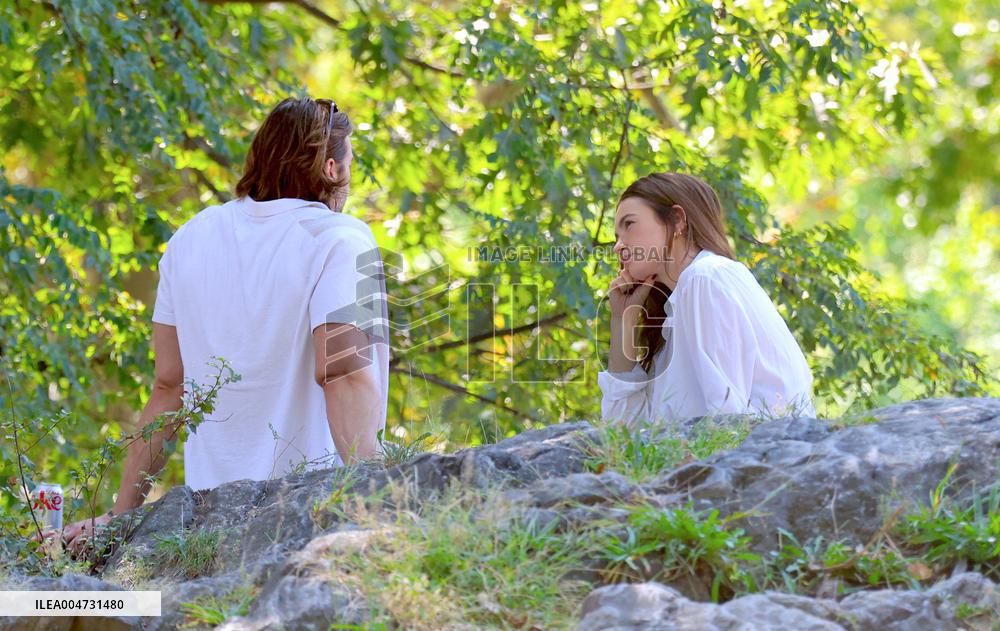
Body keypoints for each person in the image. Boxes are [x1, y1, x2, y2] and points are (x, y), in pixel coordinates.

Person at [56, 97, 389, 553]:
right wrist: (380, 504)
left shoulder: (190, 236)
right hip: (307, 521)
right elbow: (343, 372)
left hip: (206, 529)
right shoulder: (343, 238)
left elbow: (168, 388)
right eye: (350, 163)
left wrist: (121, 514)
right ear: (331, 169)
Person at [598, 171, 815, 428]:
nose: (617, 246)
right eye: (616, 236)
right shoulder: (677, 312)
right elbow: (625, 437)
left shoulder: (707, 278)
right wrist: (623, 322)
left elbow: (726, 421)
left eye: (629, 225)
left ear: (677, 220)